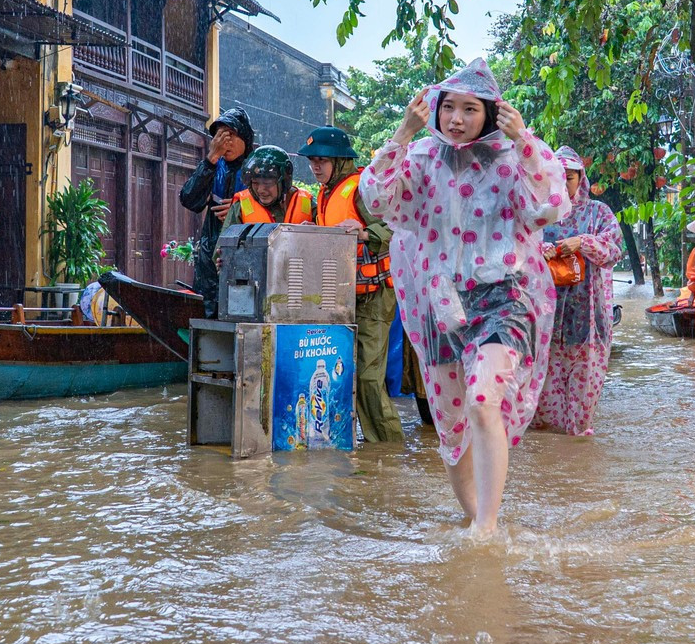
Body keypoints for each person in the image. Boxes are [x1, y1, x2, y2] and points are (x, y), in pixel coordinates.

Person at [360, 58, 568, 536]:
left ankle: (487, 529)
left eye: (470, 109)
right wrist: (403, 133)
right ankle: (477, 520)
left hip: (503, 297)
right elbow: (377, 200)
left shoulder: (514, 158)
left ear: (490, 112)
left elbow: (549, 206)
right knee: (452, 427)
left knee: (481, 399)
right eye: (448, 107)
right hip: (440, 305)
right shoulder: (420, 158)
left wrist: (524, 140)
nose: (456, 118)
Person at [303, 124, 401, 443]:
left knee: (369, 378)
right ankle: (370, 449)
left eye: (322, 160)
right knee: (346, 375)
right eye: (312, 160)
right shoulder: (324, 194)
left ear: (340, 160)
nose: (316, 166)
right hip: (344, 298)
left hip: (375, 296)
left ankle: (390, 451)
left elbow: (395, 229)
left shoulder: (361, 189)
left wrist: (364, 233)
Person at [531, 147, 624, 436]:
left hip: (588, 315)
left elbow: (614, 250)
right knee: (544, 394)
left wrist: (583, 242)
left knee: (583, 388)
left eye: (568, 178)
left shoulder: (598, 212)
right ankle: (553, 452)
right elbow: (516, 252)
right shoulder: (538, 214)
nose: (562, 184)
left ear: (580, 179)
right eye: (556, 178)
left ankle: (579, 442)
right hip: (546, 316)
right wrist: (539, 251)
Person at [178, 108, 256, 315]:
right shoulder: (214, 167)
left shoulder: (257, 169)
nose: (225, 142)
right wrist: (211, 158)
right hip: (209, 263)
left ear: (245, 138)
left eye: (231, 135)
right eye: (220, 136)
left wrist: (238, 210)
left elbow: (271, 211)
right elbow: (189, 199)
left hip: (246, 260)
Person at [224, 146, 314, 225]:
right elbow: (225, 239)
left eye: (267, 183)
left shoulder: (307, 203)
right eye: (255, 183)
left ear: (284, 181)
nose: (260, 190)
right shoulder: (240, 207)